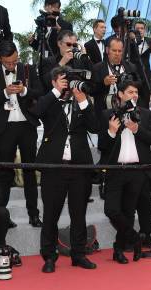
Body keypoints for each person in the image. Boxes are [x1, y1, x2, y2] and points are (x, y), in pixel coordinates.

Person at [35, 66, 99, 273]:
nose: (68, 85)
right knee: (51, 214)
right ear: (54, 81)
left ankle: (78, 255)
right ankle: (49, 257)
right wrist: (55, 91)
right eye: (63, 80)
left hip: (79, 167)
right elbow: (36, 111)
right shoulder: (50, 101)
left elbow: (95, 126)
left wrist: (82, 100)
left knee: (78, 214)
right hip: (54, 166)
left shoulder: (82, 103)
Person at [0, 41, 43, 228]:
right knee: (5, 173)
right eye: (8, 62)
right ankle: (2, 215)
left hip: (27, 125)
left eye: (15, 61)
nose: (12, 65)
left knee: (29, 171)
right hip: (5, 128)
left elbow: (40, 92)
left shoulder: (27, 69)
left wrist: (24, 91)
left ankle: (34, 214)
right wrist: (4, 92)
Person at [99, 81, 151, 264]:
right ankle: (134, 238)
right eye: (130, 92)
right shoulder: (108, 115)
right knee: (111, 210)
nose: (134, 95)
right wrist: (111, 132)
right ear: (120, 94)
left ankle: (119, 249)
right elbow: (102, 145)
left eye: (136, 92)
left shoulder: (145, 114)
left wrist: (137, 129)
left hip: (137, 171)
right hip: (116, 170)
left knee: (129, 212)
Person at [89, 37, 140, 116]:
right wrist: (103, 83)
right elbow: (91, 91)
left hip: (128, 111)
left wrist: (130, 82)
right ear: (107, 50)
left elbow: (139, 84)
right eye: (114, 50)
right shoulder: (97, 68)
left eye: (119, 51)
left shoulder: (131, 67)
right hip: (104, 112)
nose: (117, 53)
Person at [133, 20, 151, 108]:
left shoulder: (150, 41)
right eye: (137, 28)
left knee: (145, 98)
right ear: (134, 30)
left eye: (142, 28)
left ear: (145, 30)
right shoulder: (130, 41)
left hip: (146, 74)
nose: (140, 30)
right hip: (133, 74)